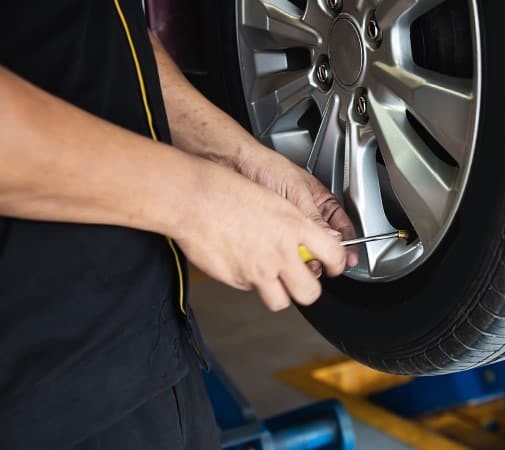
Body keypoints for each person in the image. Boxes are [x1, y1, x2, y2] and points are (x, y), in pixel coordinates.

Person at [0, 1, 359, 448]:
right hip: (34, 390)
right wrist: (195, 201)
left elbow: (99, 33)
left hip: (150, 347)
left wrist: (233, 153)